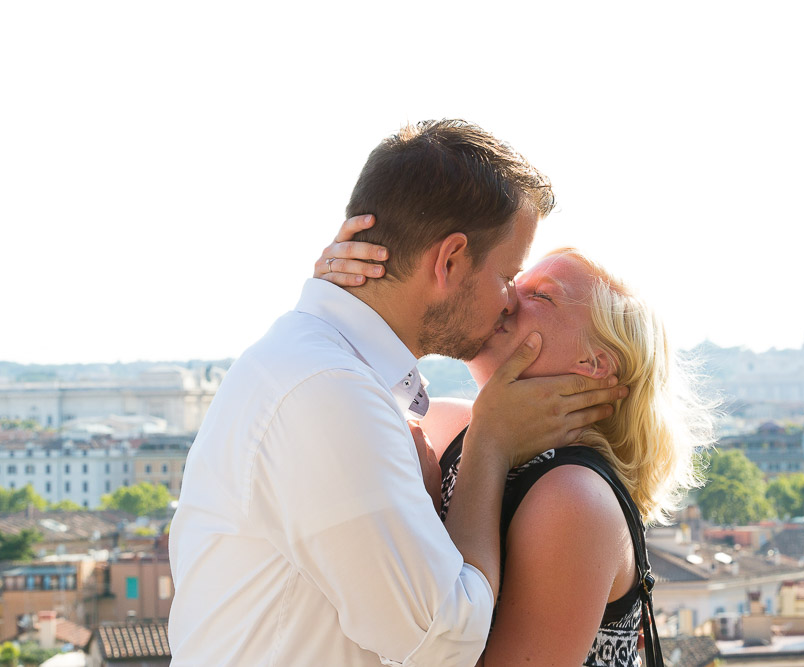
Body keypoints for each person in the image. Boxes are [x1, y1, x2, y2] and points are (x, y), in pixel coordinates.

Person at [168, 120, 627, 666]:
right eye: (508, 276)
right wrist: (489, 445)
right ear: (450, 261)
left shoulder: (323, 368)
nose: (509, 303)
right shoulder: (330, 392)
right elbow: (443, 644)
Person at [317, 228, 715, 666]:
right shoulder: (450, 425)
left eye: (542, 297)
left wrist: (483, 450)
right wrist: (343, 290)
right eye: (513, 283)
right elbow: (328, 400)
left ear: (593, 363)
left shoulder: (575, 499)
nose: (506, 299)